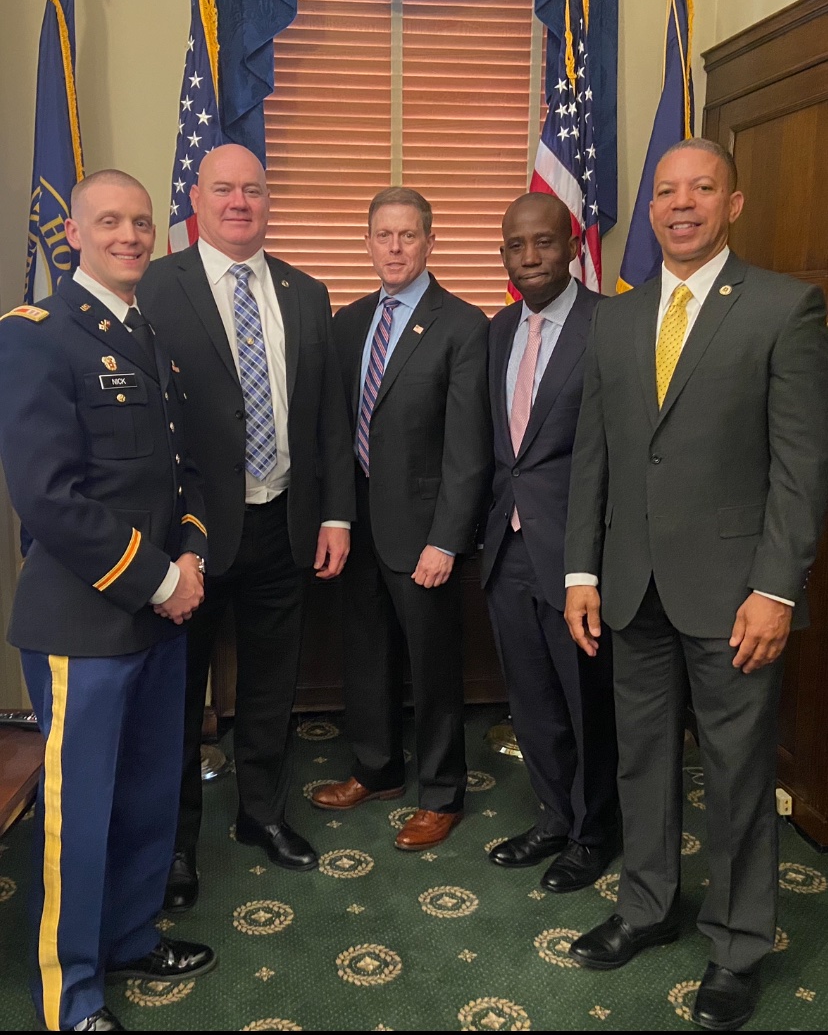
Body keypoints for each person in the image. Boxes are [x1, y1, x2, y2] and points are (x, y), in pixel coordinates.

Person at [563, 139, 828, 1031]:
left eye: (701, 188)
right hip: (630, 587)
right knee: (641, 758)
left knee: (738, 773)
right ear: (650, 210)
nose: (682, 204)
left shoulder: (787, 308)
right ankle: (646, 905)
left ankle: (739, 943)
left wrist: (778, 589)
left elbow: (800, 464)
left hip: (735, 595)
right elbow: (593, 455)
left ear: (734, 203)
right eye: (668, 191)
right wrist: (580, 569)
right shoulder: (616, 318)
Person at [0, 169, 216, 1032]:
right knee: (77, 813)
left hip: (161, 614)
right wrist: (164, 578)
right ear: (77, 234)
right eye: (109, 221)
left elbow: (179, 473)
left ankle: (130, 935)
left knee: (146, 793)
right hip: (84, 619)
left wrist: (192, 554)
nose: (128, 234)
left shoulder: (148, 334)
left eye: (140, 221)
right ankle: (71, 993)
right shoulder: (37, 336)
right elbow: (48, 497)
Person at [138, 144, 355, 911]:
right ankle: (172, 848)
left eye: (253, 190)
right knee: (177, 699)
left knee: (273, 687)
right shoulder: (154, 284)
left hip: (285, 520)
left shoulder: (304, 289)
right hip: (189, 536)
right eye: (224, 188)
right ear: (196, 197)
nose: (240, 202)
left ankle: (263, 814)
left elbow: (329, 413)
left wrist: (334, 511)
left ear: (269, 201)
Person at [311, 188, 492, 850]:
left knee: (433, 664)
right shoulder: (348, 321)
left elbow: (470, 451)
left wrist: (447, 538)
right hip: (355, 526)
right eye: (382, 235)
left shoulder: (464, 325)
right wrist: (334, 516)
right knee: (366, 654)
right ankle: (377, 767)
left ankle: (442, 793)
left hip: (423, 532)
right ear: (367, 242)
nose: (394, 247)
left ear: (429, 242)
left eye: (407, 235)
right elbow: (337, 430)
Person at [481, 193, 618, 892]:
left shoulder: (610, 324)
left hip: (577, 554)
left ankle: (595, 832)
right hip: (507, 550)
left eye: (543, 243)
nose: (529, 258)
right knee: (531, 699)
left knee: (586, 701)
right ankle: (554, 817)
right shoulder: (498, 329)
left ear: (571, 246)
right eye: (515, 246)